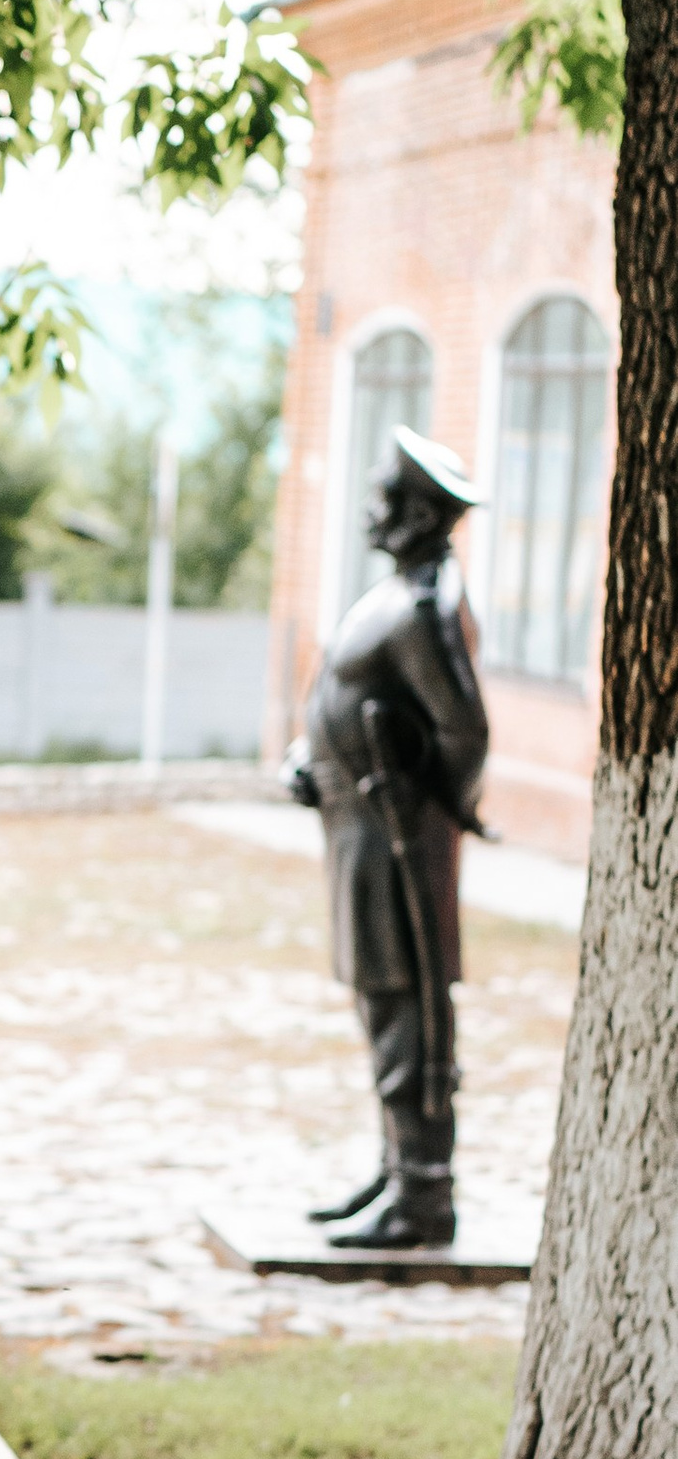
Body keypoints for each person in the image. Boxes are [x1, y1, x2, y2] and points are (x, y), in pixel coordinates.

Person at [288, 426, 490, 1252]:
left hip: (395, 834)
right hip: (357, 827)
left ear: (415, 513)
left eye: (385, 496)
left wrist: (414, 802)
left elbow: (464, 734)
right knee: (379, 995)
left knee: (409, 1003)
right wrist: (311, 755)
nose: (372, 510)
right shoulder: (398, 592)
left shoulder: (424, 608)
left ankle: (424, 1193)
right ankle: (395, 1165)